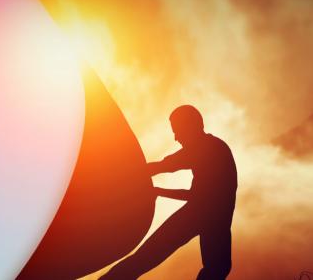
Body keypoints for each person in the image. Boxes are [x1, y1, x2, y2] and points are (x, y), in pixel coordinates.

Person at [100, 105, 237, 280]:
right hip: (210, 217)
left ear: (192, 126)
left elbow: (172, 174)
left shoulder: (206, 149)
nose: (176, 138)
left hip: (202, 215)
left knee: (147, 257)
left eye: (178, 131)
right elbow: (166, 168)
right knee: (217, 268)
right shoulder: (211, 146)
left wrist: (150, 187)